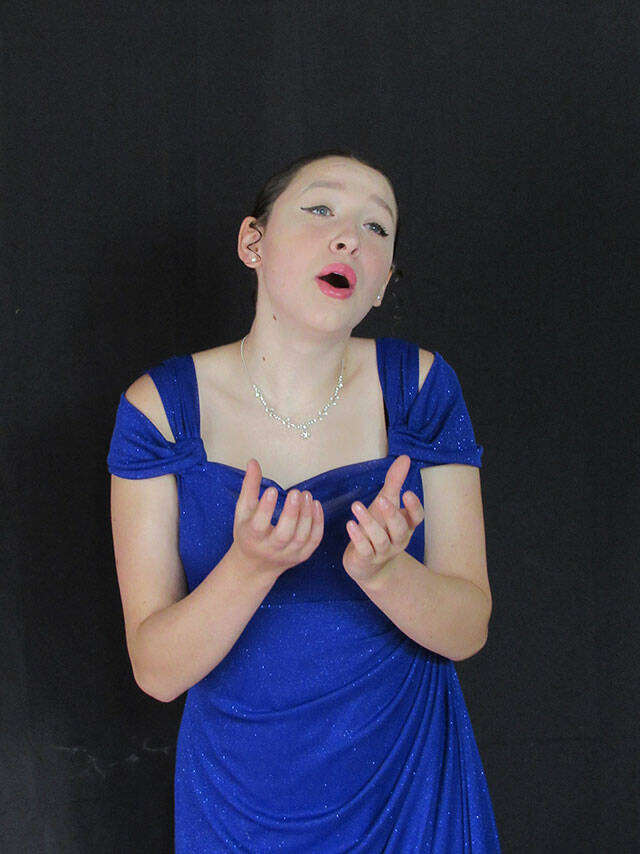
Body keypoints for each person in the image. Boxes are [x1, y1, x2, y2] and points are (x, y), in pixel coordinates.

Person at [107, 149, 501, 852]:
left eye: (376, 227)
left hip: (409, 792)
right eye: (321, 209)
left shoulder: (421, 388)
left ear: (381, 284)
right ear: (252, 242)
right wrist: (250, 566)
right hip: (240, 803)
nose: (349, 237)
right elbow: (157, 671)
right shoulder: (160, 410)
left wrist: (389, 573)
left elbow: (468, 629)